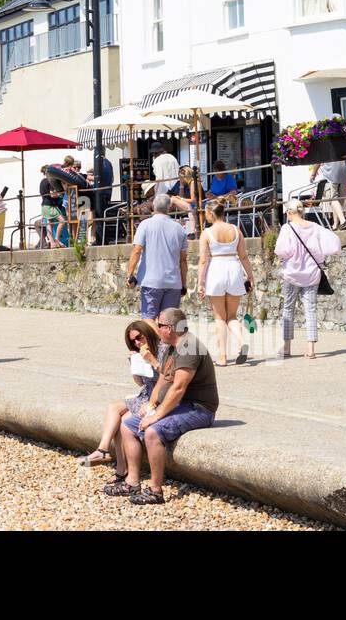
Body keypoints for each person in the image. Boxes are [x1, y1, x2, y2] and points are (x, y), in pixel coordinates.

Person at [106, 307, 218, 505]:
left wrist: (155, 417)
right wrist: (150, 405)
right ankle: (132, 481)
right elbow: (164, 380)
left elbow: (178, 388)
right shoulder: (173, 347)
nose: (156, 330)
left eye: (159, 325)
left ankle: (156, 490)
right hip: (182, 405)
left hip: (199, 408)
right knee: (127, 424)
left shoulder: (189, 346)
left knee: (152, 432)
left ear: (169, 328)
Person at [78, 320, 165, 470]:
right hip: (146, 394)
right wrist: (133, 364)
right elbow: (141, 383)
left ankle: (121, 468)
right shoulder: (140, 353)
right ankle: (104, 450)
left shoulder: (163, 349)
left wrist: (151, 359)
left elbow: (168, 377)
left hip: (159, 396)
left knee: (124, 420)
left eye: (139, 337)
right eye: (133, 341)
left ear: (147, 333)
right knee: (114, 408)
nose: (137, 343)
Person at [274, 197, 342, 359]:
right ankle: (311, 349)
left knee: (288, 309)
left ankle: (286, 347)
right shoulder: (316, 227)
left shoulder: (287, 228)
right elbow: (333, 243)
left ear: (290, 212)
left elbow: (282, 251)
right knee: (310, 309)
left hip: (292, 274)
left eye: (287, 213)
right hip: (312, 274)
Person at [196, 200, 257, 365]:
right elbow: (243, 256)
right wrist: (250, 276)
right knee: (231, 315)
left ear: (210, 213)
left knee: (219, 317)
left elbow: (203, 261)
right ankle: (241, 340)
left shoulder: (207, 233)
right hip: (234, 268)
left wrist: (200, 283)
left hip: (216, 269)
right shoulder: (236, 230)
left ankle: (222, 357)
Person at [126, 193, 188, 320]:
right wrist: (184, 283)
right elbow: (183, 259)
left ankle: (156, 339)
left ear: (153, 207)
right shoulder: (179, 228)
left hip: (151, 281)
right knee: (169, 321)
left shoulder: (145, 225)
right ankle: (163, 340)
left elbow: (137, 250)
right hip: (173, 282)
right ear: (169, 207)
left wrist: (130, 274)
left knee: (148, 318)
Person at [310, 156, 346, 229]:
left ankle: (343, 221)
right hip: (344, 174)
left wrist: (313, 174)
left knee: (332, 199)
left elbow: (318, 160)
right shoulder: (344, 145)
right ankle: (335, 224)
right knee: (338, 201)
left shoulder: (325, 145)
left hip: (331, 175)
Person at [166, 166, 201, 231]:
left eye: (181, 177)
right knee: (173, 200)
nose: (180, 179)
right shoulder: (187, 183)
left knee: (173, 200)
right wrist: (181, 185)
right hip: (191, 205)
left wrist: (180, 199)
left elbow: (193, 200)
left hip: (195, 205)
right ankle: (162, 217)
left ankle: (161, 215)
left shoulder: (193, 183)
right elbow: (181, 196)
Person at [39, 167, 64, 247]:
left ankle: (52, 243)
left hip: (44, 205)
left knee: (49, 224)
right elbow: (52, 194)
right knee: (62, 221)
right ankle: (56, 240)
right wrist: (60, 194)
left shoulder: (42, 181)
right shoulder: (49, 181)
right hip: (50, 205)